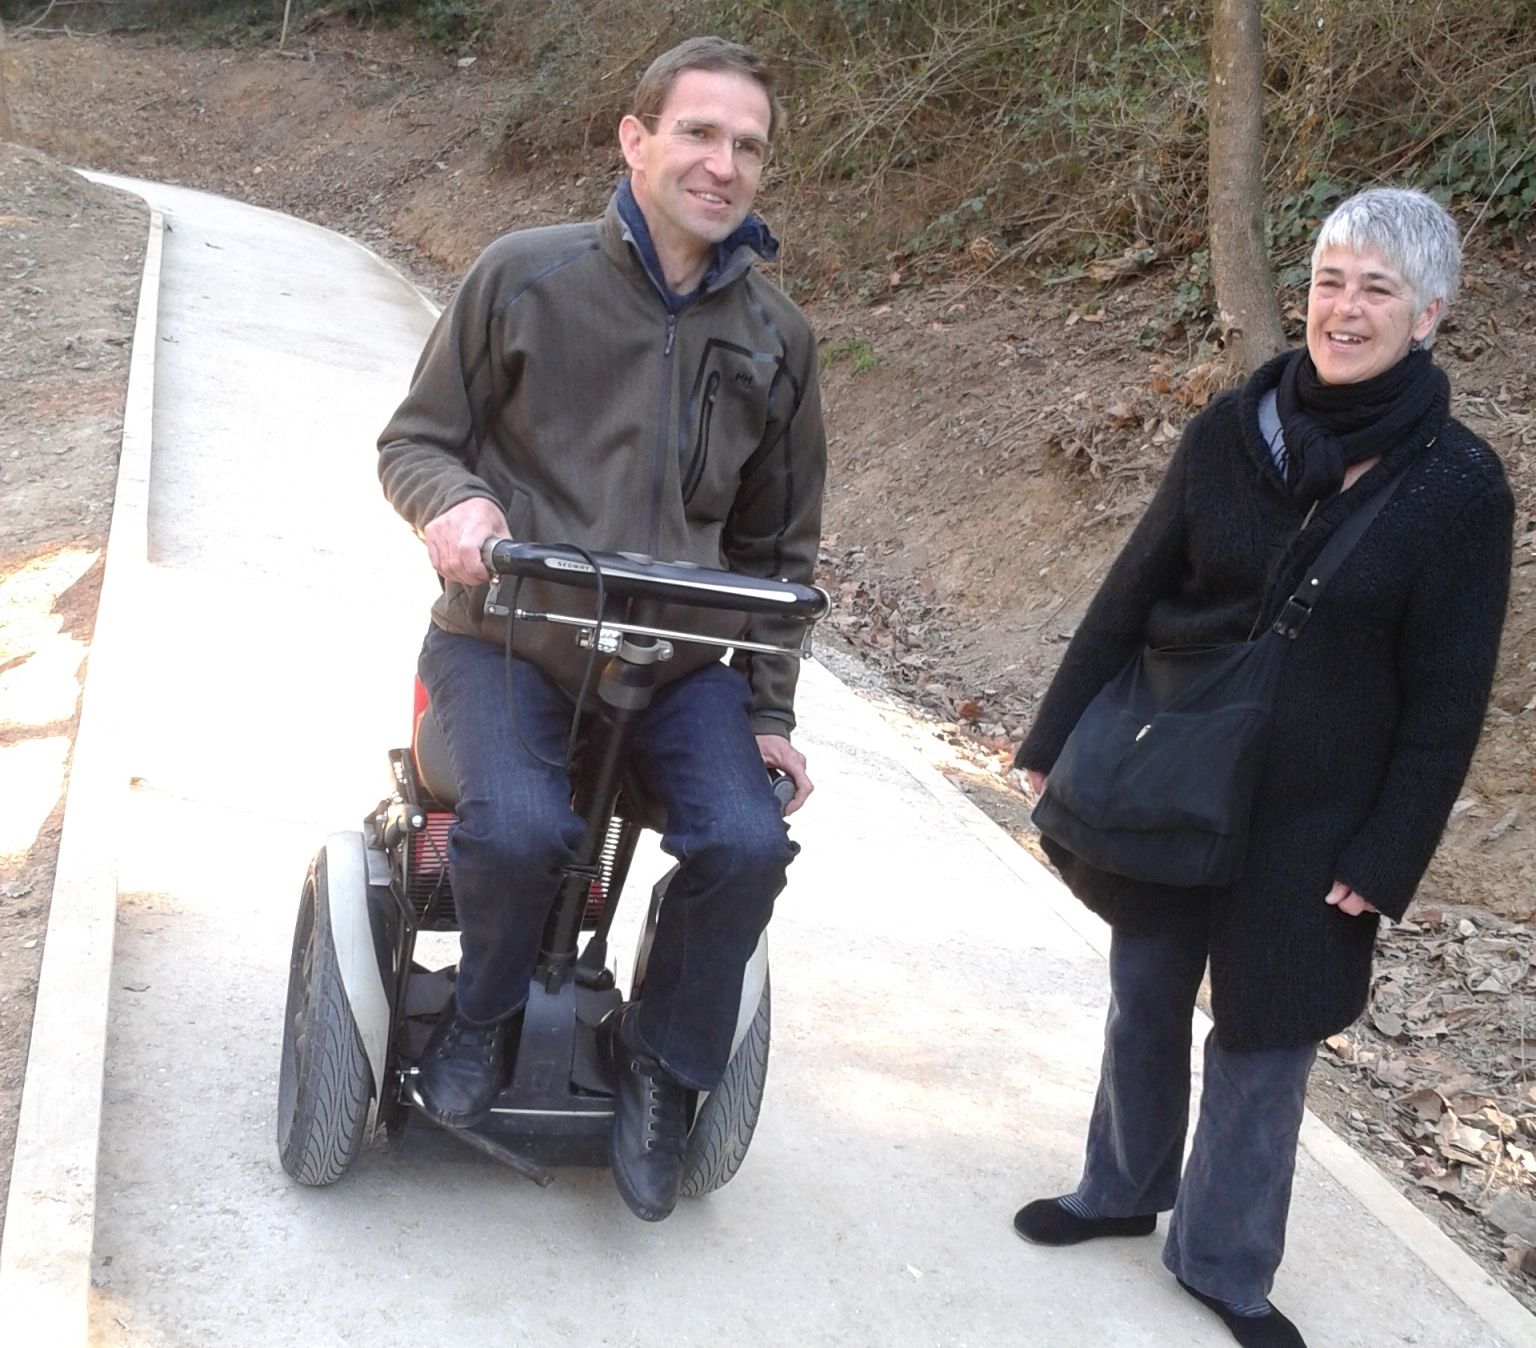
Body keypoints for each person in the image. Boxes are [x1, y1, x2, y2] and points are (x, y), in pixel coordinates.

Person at [1012, 187, 1512, 1347]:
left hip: (1318, 816)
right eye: (1331, 281)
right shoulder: (1231, 434)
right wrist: (1051, 738)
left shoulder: (1458, 486)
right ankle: (1120, 1186)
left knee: (1267, 1037)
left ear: (1428, 314)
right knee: (1145, 992)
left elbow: (1448, 698)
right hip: (1178, 771)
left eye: (1377, 289)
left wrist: (1388, 854)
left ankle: (1224, 1264)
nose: (1345, 308)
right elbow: (1132, 591)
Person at [376, 36, 825, 1222]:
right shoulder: (524, 275)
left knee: (748, 842)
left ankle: (662, 1066)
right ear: (635, 138)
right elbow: (416, 440)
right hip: (511, 636)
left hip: (678, 664)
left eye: (747, 146)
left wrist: (769, 714)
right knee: (523, 824)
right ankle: (481, 1014)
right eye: (698, 132)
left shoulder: (777, 339)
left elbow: (779, 550)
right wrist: (453, 503)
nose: (722, 163)